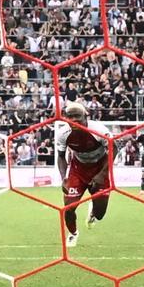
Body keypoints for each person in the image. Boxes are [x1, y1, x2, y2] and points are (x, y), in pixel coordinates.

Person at [54, 102, 115, 248]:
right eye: (70, 117)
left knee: (100, 214)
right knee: (68, 208)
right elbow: (61, 156)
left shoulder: (99, 130)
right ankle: (73, 234)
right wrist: (64, 178)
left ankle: (93, 213)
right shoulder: (63, 134)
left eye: (77, 116)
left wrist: (102, 174)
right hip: (78, 170)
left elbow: (114, 149)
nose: (74, 120)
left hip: (100, 168)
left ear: (86, 116)